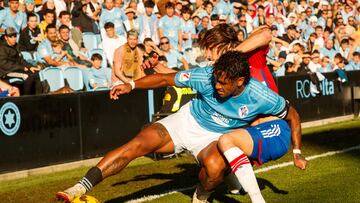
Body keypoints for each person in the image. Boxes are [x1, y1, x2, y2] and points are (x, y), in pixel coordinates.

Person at [56, 50, 306, 203]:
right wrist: (131, 86)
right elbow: (165, 78)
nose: (216, 86)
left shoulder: (261, 96)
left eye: (223, 83)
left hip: (214, 140)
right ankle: (80, 187)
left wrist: (296, 152)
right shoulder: (207, 76)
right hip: (185, 122)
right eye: (216, 79)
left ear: (240, 81)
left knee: (214, 170)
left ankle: (201, 196)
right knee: (137, 144)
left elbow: (293, 116)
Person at [0, 27, 41, 95]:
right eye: (11, 37)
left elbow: (21, 60)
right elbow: (4, 64)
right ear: (6, 37)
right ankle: (25, 99)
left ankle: (38, 97)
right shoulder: (2, 48)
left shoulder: (16, 46)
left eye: (15, 36)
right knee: (28, 76)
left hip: (17, 69)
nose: (14, 39)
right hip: (6, 72)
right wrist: (21, 67)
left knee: (36, 73)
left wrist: (30, 66)